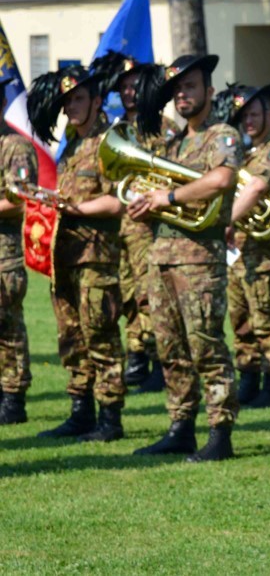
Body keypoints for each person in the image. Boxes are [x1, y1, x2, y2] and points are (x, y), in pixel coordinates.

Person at [127, 54, 242, 462]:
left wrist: (169, 196)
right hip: (161, 257)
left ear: (209, 92)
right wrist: (145, 202)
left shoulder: (221, 134)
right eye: (177, 89)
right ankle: (180, 427)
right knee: (170, 348)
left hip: (199, 259)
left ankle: (220, 432)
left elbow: (222, 179)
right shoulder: (172, 141)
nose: (182, 95)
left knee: (205, 345)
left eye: (190, 87)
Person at [27, 65, 126, 442]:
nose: (71, 107)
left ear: (98, 101)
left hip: (95, 257)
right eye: (67, 101)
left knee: (100, 335)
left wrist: (77, 209)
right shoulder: (70, 144)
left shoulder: (109, 143)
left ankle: (110, 418)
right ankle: (80, 410)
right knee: (71, 337)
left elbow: (119, 200)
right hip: (64, 255)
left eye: (79, 99)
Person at [90, 52, 176, 393]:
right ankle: (138, 353)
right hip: (122, 227)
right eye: (124, 86)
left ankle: (158, 360)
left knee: (150, 294)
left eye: (135, 85)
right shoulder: (115, 129)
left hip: (152, 227)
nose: (129, 92)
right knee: (127, 292)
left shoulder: (163, 127)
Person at [223, 83, 270, 408]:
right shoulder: (246, 152)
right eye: (243, 116)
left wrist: (225, 220)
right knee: (240, 318)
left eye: (254, 113)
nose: (248, 121)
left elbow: (254, 189)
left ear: (268, 113)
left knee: (266, 318)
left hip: (261, 252)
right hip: (237, 250)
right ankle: (248, 379)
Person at [0, 78, 37, 426]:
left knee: (7, 327)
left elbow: (23, 198)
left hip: (4, 255)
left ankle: (14, 399)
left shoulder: (15, 147)